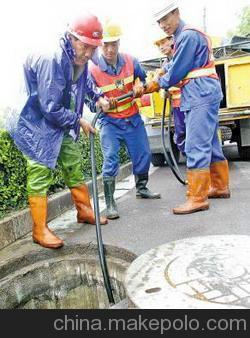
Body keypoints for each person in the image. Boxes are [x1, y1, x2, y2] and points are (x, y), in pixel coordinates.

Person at [11, 13, 111, 249]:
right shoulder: (52, 58)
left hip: (58, 118)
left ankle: (84, 210)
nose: (88, 53)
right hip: (34, 119)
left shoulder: (79, 58)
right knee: (40, 170)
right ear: (71, 38)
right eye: (84, 46)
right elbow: (49, 107)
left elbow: (83, 82)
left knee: (72, 162)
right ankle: (39, 230)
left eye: (92, 48)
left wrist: (98, 99)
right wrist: (78, 121)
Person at [134, 0, 230, 215]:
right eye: (159, 22)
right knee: (210, 142)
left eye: (166, 19)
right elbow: (171, 66)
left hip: (199, 93)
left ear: (176, 13)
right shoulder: (183, 36)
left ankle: (197, 197)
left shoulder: (187, 36)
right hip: (202, 92)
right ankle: (220, 185)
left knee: (196, 144)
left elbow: (176, 71)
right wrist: (156, 79)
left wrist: (154, 84)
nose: (163, 25)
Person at [89, 19, 161, 220]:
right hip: (109, 122)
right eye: (105, 45)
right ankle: (110, 202)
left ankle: (142, 187)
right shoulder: (93, 70)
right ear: (100, 45)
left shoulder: (131, 61)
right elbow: (88, 100)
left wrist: (140, 85)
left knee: (143, 153)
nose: (110, 49)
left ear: (119, 43)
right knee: (111, 158)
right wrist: (100, 102)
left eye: (113, 44)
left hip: (132, 118)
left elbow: (144, 79)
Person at [153, 32, 185, 154]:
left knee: (195, 137)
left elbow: (181, 80)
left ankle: (200, 165)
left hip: (190, 102)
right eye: (158, 45)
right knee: (180, 137)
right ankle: (194, 165)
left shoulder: (181, 56)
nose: (161, 47)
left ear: (171, 40)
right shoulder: (165, 64)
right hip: (177, 106)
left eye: (163, 42)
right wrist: (164, 91)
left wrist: (162, 82)